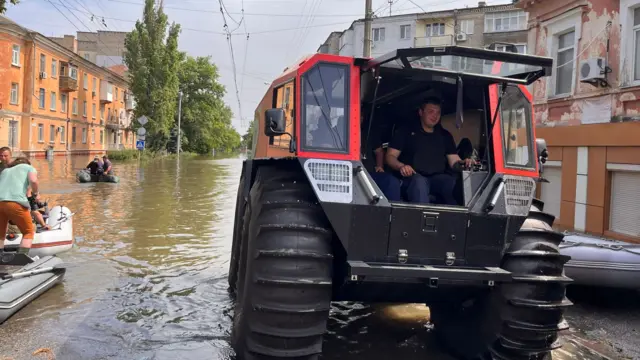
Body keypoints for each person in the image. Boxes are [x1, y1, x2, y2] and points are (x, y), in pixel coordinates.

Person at [385, 97, 475, 205]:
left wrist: (464, 163)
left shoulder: (445, 135)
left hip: (437, 178)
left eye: (438, 112)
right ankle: (420, 219)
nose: (435, 116)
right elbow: (390, 156)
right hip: (412, 176)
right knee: (419, 183)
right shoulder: (405, 131)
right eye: (431, 112)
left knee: (451, 183)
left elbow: (454, 162)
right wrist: (401, 166)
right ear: (420, 112)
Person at [0, 157, 41, 255]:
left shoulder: (5, 171)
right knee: (28, 233)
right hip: (16, 202)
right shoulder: (29, 167)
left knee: (0, 234)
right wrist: (36, 193)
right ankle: (21, 259)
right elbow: (34, 181)